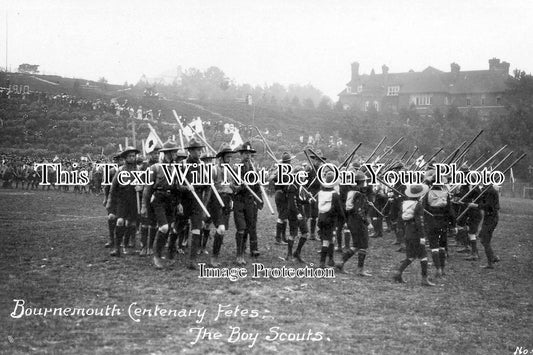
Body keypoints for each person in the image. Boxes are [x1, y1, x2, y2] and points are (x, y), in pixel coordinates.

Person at [142, 140, 179, 269]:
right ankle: (156, 256)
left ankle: (164, 252)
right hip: (158, 199)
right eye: (174, 152)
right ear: (168, 153)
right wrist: (144, 207)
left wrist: (178, 203)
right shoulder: (155, 168)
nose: (176, 154)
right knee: (163, 227)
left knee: (169, 228)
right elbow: (147, 189)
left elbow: (177, 188)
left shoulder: (176, 168)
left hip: (171, 200)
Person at [392, 184, 435, 286]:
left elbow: (400, 219)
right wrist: (422, 236)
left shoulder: (403, 204)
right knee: (423, 256)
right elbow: (419, 222)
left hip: (407, 231)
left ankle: (398, 274)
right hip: (416, 232)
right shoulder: (418, 205)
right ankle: (424, 279)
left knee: (410, 256)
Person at [336, 170, 372, 276]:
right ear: (361, 182)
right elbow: (359, 210)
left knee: (356, 245)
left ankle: (341, 263)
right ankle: (360, 270)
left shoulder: (351, 192)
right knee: (363, 245)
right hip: (358, 221)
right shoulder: (359, 194)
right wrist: (367, 222)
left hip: (351, 220)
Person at [233, 142, 263, 265]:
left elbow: (257, 187)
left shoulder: (254, 168)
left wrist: (260, 199)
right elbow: (233, 188)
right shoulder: (236, 168)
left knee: (251, 225)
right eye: (246, 153)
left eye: (250, 154)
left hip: (250, 201)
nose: (248, 156)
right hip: (239, 200)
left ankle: (250, 249)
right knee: (241, 227)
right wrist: (241, 186)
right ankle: (239, 254)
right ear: (241, 154)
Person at [106, 147, 140, 257]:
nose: (132, 158)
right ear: (125, 158)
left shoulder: (139, 170)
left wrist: (141, 187)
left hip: (134, 199)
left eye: (133, 156)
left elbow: (146, 184)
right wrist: (110, 202)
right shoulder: (120, 170)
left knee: (131, 223)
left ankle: (126, 246)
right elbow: (113, 187)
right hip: (122, 199)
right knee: (120, 221)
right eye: (129, 156)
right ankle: (117, 247)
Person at [182, 138, 210, 270]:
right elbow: (176, 184)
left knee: (196, 229)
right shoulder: (182, 165)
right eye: (197, 150)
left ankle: (192, 260)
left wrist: (204, 204)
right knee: (178, 227)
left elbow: (208, 187)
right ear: (190, 151)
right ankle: (170, 253)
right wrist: (186, 188)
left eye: (200, 150)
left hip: (197, 201)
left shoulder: (203, 167)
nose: (199, 153)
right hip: (184, 200)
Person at [207, 143, 235, 266]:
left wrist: (238, 188)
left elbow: (232, 186)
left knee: (221, 230)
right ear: (221, 157)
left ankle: (215, 255)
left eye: (230, 157)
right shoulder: (214, 170)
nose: (229, 159)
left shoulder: (231, 170)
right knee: (221, 229)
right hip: (216, 201)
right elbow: (208, 187)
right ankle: (213, 257)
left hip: (227, 201)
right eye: (227, 157)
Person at [422, 175, 456, 277]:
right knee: (442, 245)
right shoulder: (446, 194)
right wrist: (453, 225)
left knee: (434, 246)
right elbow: (450, 211)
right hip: (443, 223)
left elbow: (424, 210)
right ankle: (442, 268)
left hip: (432, 223)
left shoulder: (427, 194)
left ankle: (438, 268)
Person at [317, 171, 345, 268]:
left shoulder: (320, 193)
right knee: (327, 241)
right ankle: (322, 262)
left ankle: (331, 260)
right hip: (330, 220)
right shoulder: (335, 195)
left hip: (321, 218)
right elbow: (339, 209)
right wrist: (343, 219)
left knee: (331, 239)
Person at [469, 184, 500, 269]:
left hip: (491, 217)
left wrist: (476, 205)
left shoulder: (490, 191)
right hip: (489, 217)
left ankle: (491, 261)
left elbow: (488, 206)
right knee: (484, 238)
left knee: (484, 239)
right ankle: (492, 258)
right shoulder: (487, 190)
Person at [284, 166, 310, 262]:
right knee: (293, 234)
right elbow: (292, 203)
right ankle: (289, 254)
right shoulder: (292, 186)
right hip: (293, 213)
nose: (303, 177)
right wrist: (297, 213)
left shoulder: (300, 186)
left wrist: (308, 200)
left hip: (300, 212)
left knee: (305, 233)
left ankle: (297, 252)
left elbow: (300, 200)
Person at [271, 152, 293, 245]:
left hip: (281, 195)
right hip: (282, 194)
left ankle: (283, 238)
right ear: (288, 162)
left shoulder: (283, 170)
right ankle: (278, 238)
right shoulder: (282, 171)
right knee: (281, 217)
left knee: (284, 217)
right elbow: (284, 184)